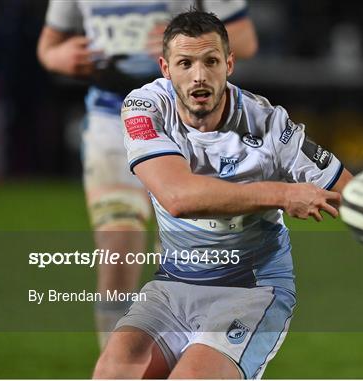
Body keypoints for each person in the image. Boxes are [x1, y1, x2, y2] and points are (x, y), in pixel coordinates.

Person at [93, 10, 352, 379]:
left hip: (250, 290)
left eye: (210, 61)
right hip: (174, 284)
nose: (199, 75)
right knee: (112, 371)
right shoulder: (145, 107)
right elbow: (177, 197)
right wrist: (282, 194)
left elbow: (346, 189)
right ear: (165, 68)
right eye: (185, 63)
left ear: (229, 64)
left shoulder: (270, 126)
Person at [36, 0, 258, 348]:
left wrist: (181, 44)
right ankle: (119, 368)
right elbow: (49, 46)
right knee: (117, 252)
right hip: (112, 121)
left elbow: (244, 40)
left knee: (189, 264)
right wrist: (59, 58)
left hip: (187, 124)